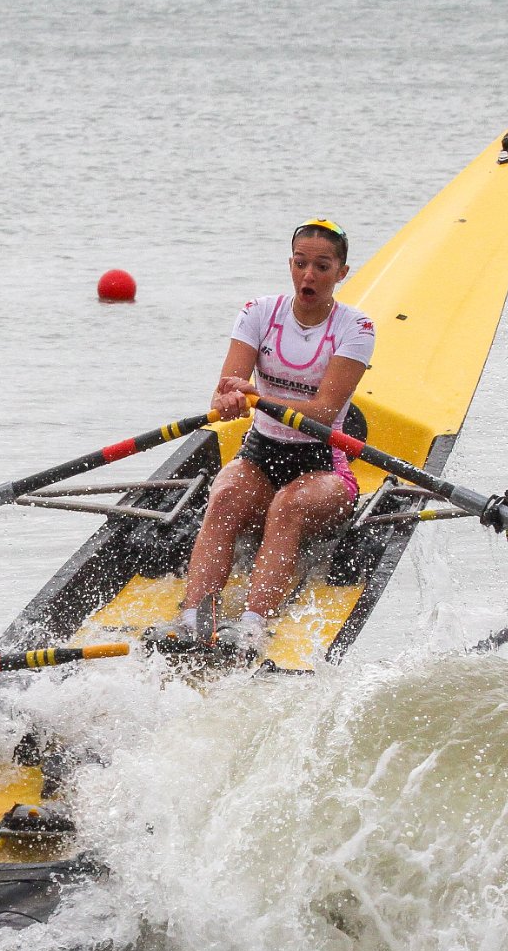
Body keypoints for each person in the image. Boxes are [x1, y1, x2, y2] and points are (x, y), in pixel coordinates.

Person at [149, 218, 376, 658]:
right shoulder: (258, 312)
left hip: (322, 459)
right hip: (261, 451)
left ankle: (252, 626)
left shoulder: (356, 328)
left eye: (322, 267)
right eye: (300, 263)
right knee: (226, 492)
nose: (309, 276)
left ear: (341, 273)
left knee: (287, 507)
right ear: (290, 264)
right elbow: (227, 384)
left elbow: (327, 409)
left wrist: (261, 398)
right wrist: (231, 394)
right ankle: (194, 617)